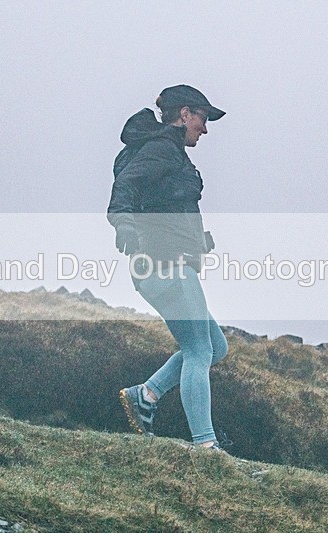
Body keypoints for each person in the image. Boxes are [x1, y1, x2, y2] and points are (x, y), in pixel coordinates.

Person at [107, 84, 229, 450]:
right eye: (203, 119)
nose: (205, 129)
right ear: (185, 114)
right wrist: (123, 223)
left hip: (170, 261)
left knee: (215, 348)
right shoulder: (162, 149)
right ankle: (206, 447)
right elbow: (126, 184)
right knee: (197, 352)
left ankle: (146, 394)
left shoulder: (171, 152)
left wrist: (198, 240)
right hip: (163, 263)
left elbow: (165, 203)